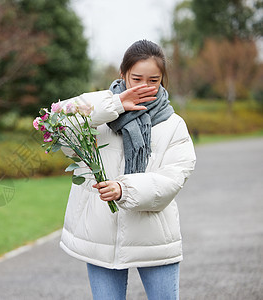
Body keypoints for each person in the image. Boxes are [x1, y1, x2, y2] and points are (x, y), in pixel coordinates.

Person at [59, 40, 196, 299]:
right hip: (102, 237)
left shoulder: (173, 125)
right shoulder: (97, 105)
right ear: (122, 75)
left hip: (154, 237)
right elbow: (55, 127)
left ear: (162, 80)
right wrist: (115, 106)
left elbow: (173, 178)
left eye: (153, 80)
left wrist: (124, 189)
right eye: (136, 79)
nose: (144, 87)